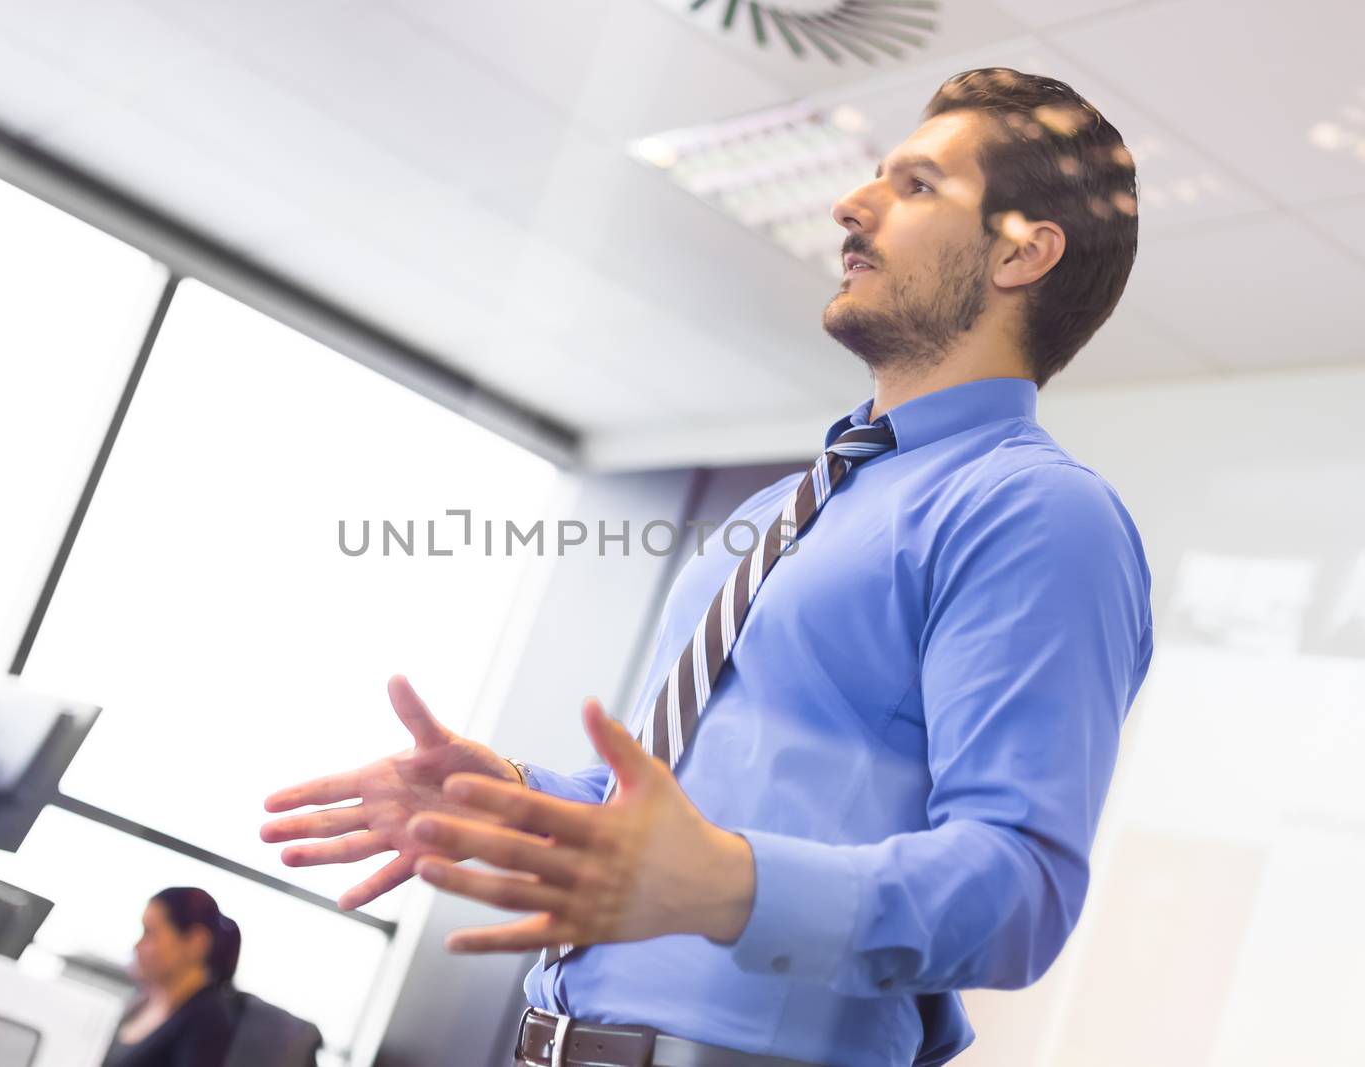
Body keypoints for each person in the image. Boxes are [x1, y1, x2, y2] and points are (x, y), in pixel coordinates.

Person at [261, 67, 1152, 1067]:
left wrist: (734, 882)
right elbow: (659, 818)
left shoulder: (1033, 510)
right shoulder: (780, 509)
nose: (849, 204)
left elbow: (1019, 888)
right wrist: (515, 797)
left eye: (914, 187)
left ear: (1019, 252)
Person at [103, 887, 241, 1067]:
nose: (137, 945)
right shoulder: (143, 1001)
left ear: (195, 942)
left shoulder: (207, 1022)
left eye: (150, 933)